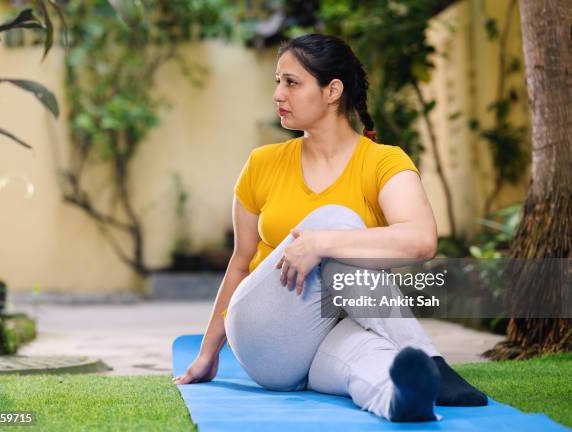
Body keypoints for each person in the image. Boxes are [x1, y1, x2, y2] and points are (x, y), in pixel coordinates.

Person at [173, 33, 487, 422]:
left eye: (291, 82)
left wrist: (322, 245)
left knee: (376, 360)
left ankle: (406, 400)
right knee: (339, 221)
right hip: (264, 333)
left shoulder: (383, 162)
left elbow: (422, 241)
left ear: (332, 91)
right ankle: (432, 359)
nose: (277, 94)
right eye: (278, 81)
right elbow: (240, 263)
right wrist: (207, 354)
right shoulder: (262, 164)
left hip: (329, 338)